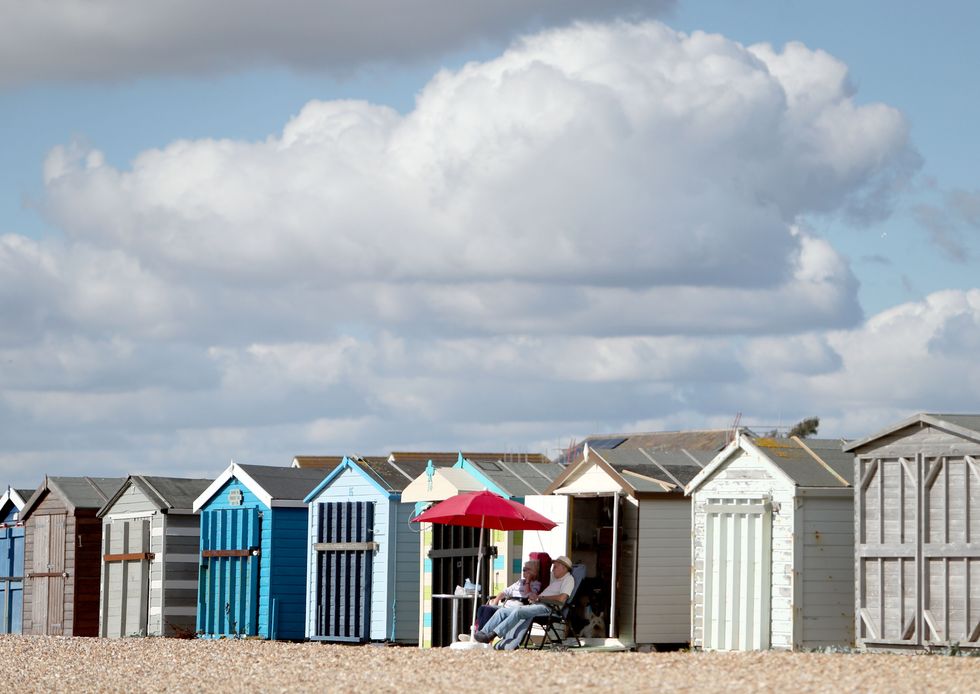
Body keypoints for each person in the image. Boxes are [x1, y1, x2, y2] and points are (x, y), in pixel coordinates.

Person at [473, 555, 575, 650]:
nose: (552, 570)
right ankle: (483, 632)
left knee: (518, 611)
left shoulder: (568, 579)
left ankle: (493, 634)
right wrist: (536, 598)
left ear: (564, 568)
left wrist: (540, 598)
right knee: (502, 611)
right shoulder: (556, 580)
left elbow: (562, 598)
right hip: (538, 604)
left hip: (549, 608)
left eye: (555, 567)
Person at [472, 560, 541, 632]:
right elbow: (504, 592)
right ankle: (478, 632)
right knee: (482, 608)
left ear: (534, 572)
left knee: (488, 610)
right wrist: (496, 601)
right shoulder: (519, 582)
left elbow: (528, 595)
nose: (523, 571)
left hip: (516, 609)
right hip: (506, 606)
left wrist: (528, 581)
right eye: (523, 569)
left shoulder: (536, 584)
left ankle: (480, 634)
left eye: (526, 570)